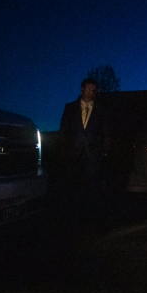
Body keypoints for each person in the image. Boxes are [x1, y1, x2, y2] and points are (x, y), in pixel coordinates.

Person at [59, 78, 105, 206]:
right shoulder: (70, 108)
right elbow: (64, 131)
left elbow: (105, 132)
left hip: (93, 155)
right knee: (72, 185)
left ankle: (89, 213)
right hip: (73, 154)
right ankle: (72, 210)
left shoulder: (101, 110)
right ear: (82, 89)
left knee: (91, 186)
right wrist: (64, 151)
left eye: (94, 89)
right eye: (89, 88)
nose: (92, 91)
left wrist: (102, 152)